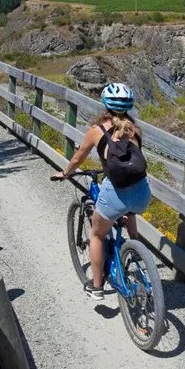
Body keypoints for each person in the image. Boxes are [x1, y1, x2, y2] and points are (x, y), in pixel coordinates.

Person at [52, 83, 151, 300]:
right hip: (142, 192)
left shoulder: (97, 131)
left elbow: (79, 157)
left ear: (105, 104)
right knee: (129, 210)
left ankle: (96, 286)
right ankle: (135, 246)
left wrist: (66, 173)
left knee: (97, 234)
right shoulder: (135, 129)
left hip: (116, 191)